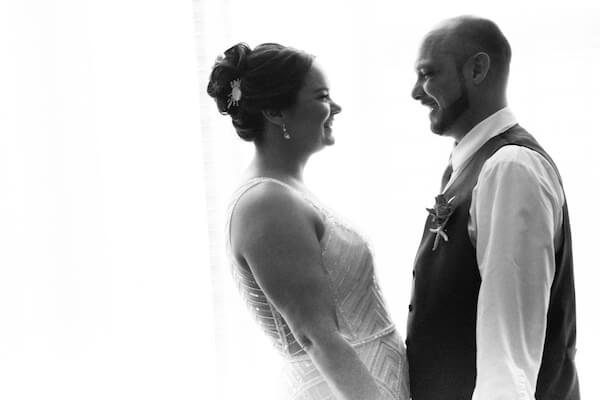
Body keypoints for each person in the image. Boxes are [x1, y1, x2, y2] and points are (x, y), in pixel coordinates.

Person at [207, 43, 409, 400]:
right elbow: (316, 336)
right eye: (322, 96)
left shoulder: (285, 191)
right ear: (274, 112)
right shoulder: (266, 203)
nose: (336, 108)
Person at [407, 15, 579, 400]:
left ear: (477, 69)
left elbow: (509, 353)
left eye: (427, 74)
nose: (416, 92)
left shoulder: (510, 167)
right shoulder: (472, 164)